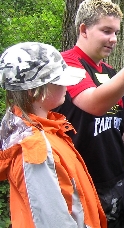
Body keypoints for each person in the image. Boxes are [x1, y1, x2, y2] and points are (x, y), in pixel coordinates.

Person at [55, 0, 124, 228]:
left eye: (116, 32)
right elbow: (94, 104)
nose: (113, 39)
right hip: (80, 181)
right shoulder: (67, 64)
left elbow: (122, 124)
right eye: (106, 31)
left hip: (115, 177)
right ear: (84, 30)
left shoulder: (110, 73)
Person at [0, 42, 107, 228]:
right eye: (59, 80)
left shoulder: (43, 126)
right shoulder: (35, 149)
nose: (67, 85)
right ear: (35, 91)